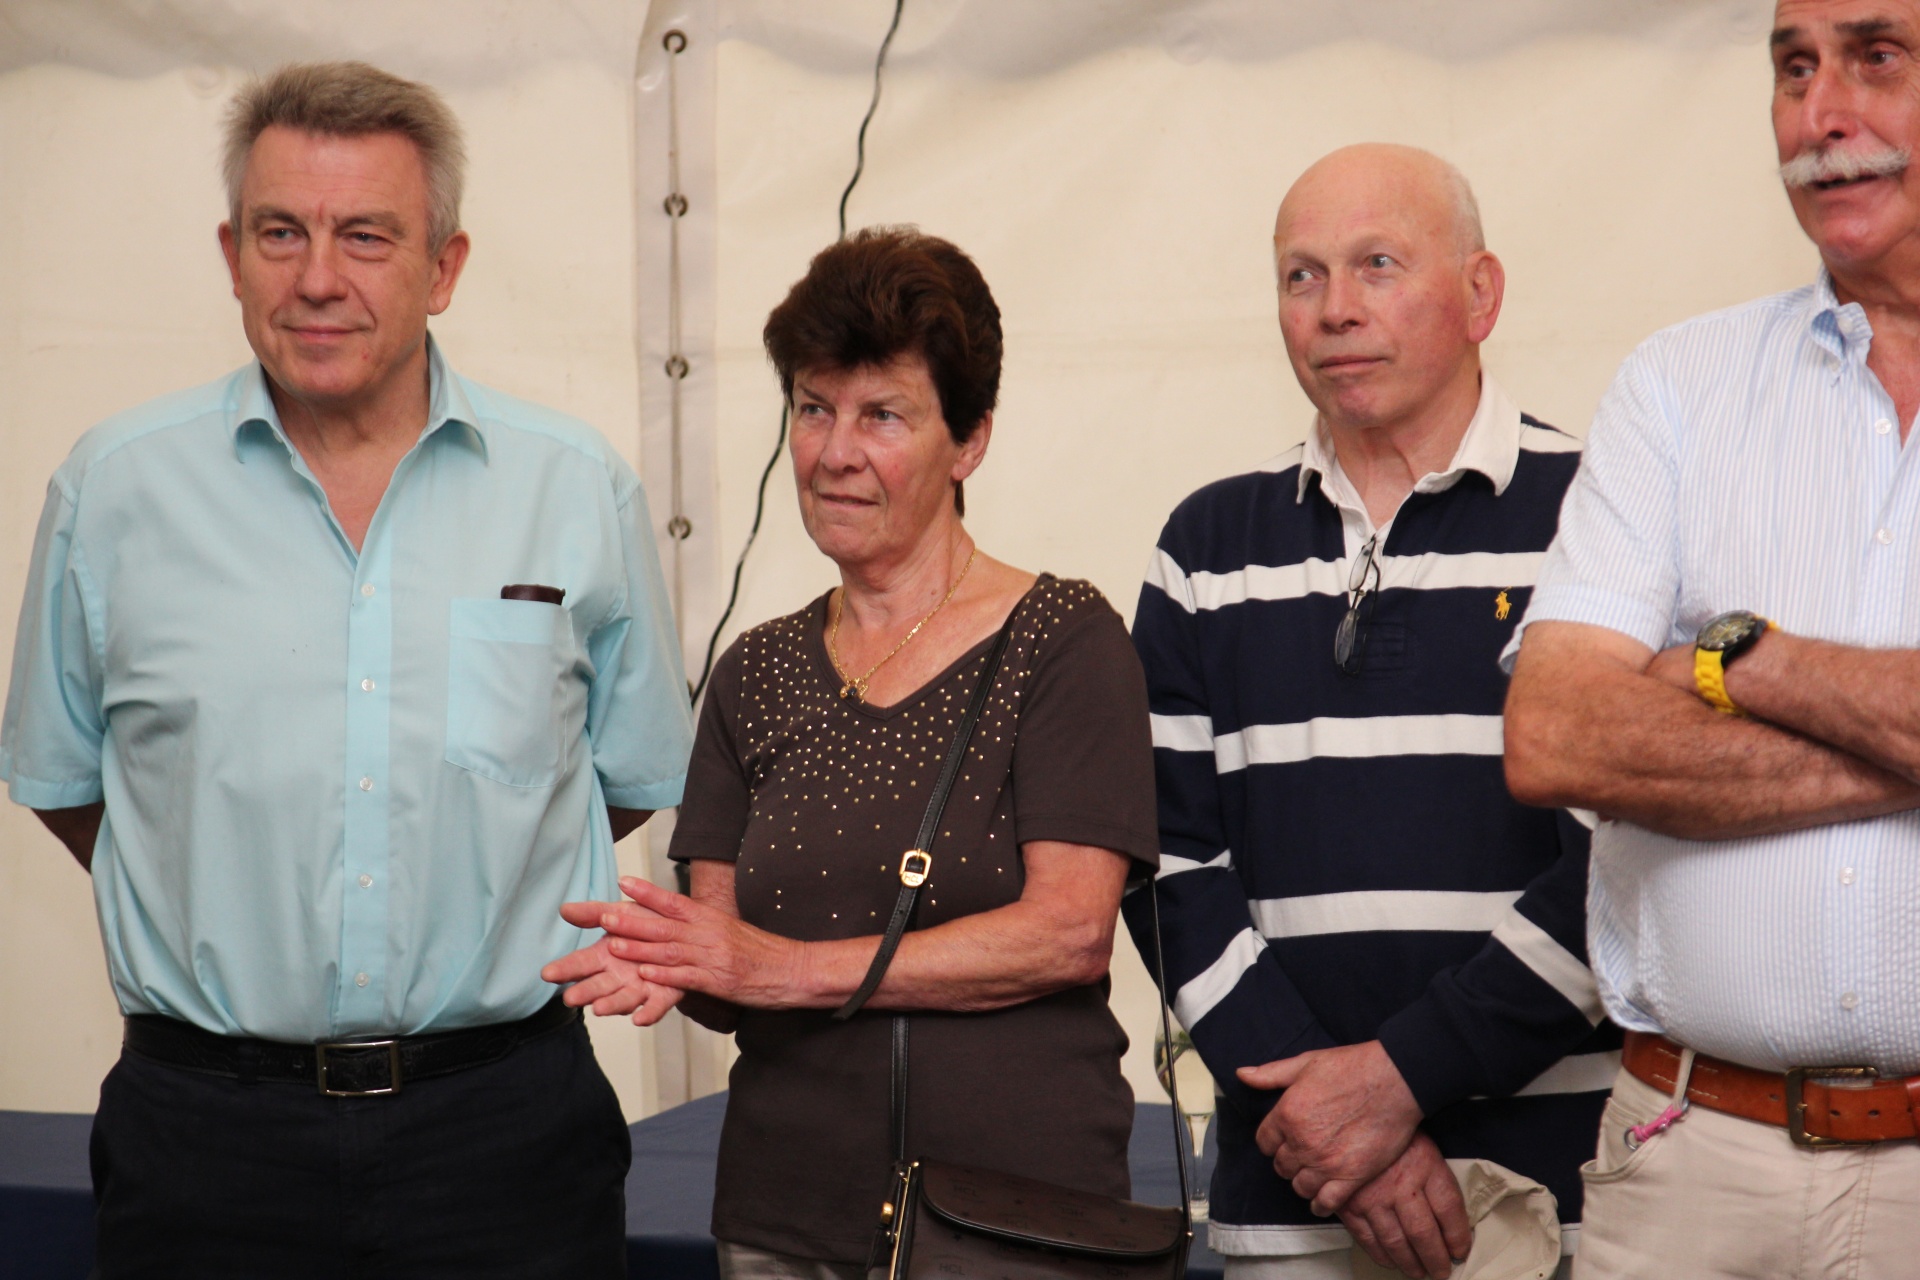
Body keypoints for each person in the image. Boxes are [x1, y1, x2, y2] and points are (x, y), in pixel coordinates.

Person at [0, 62, 693, 1276]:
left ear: (445, 267)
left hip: (505, 1135)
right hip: (204, 1137)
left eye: (367, 235)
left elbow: (619, 782)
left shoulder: (576, 490)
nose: (318, 277)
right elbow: (67, 783)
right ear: (231, 255)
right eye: (282, 232)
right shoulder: (112, 491)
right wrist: (216, 879)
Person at [542, 226, 1162, 1280]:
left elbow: (1066, 935)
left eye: (883, 415)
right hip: (785, 1219)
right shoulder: (756, 671)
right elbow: (728, 967)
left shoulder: (1062, 639)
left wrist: (784, 968)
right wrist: (670, 955)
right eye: (813, 408)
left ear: (969, 441)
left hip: (1014, 1225)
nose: (834, 452)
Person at [1128, 145, 1618, 1280]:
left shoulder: (1600, 519)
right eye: (1301, 275)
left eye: (1377, 265)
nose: (1335, 308)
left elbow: (1624, 864)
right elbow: (1165, 867)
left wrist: (1399, 1079)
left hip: (1560, 1198)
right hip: (1294, 1196)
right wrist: (1329, 1123)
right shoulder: (1206, 548)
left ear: (1482, 293)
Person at [1502, 3, 1920, 1275]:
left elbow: (1625, 712)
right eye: (1793, 68)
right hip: (1693, 1163)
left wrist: (1743, 660)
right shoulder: (1678, 385)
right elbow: (1556, 733)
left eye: (1876, 58)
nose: (1821, 114)